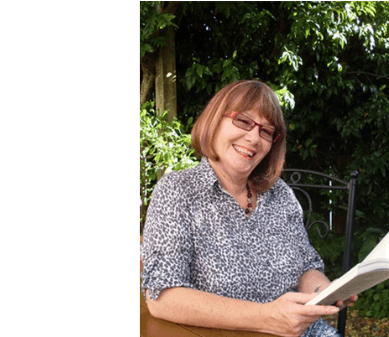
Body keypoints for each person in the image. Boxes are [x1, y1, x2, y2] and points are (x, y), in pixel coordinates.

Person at [141, 80, 355, 337]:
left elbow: (306, 266)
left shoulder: (281, 195)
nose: (254, 137)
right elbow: (163, 298)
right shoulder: (178, 191)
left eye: (266, 131)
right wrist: (268, 317)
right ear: (214, 121)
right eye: (243, 121)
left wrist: (324, 292)